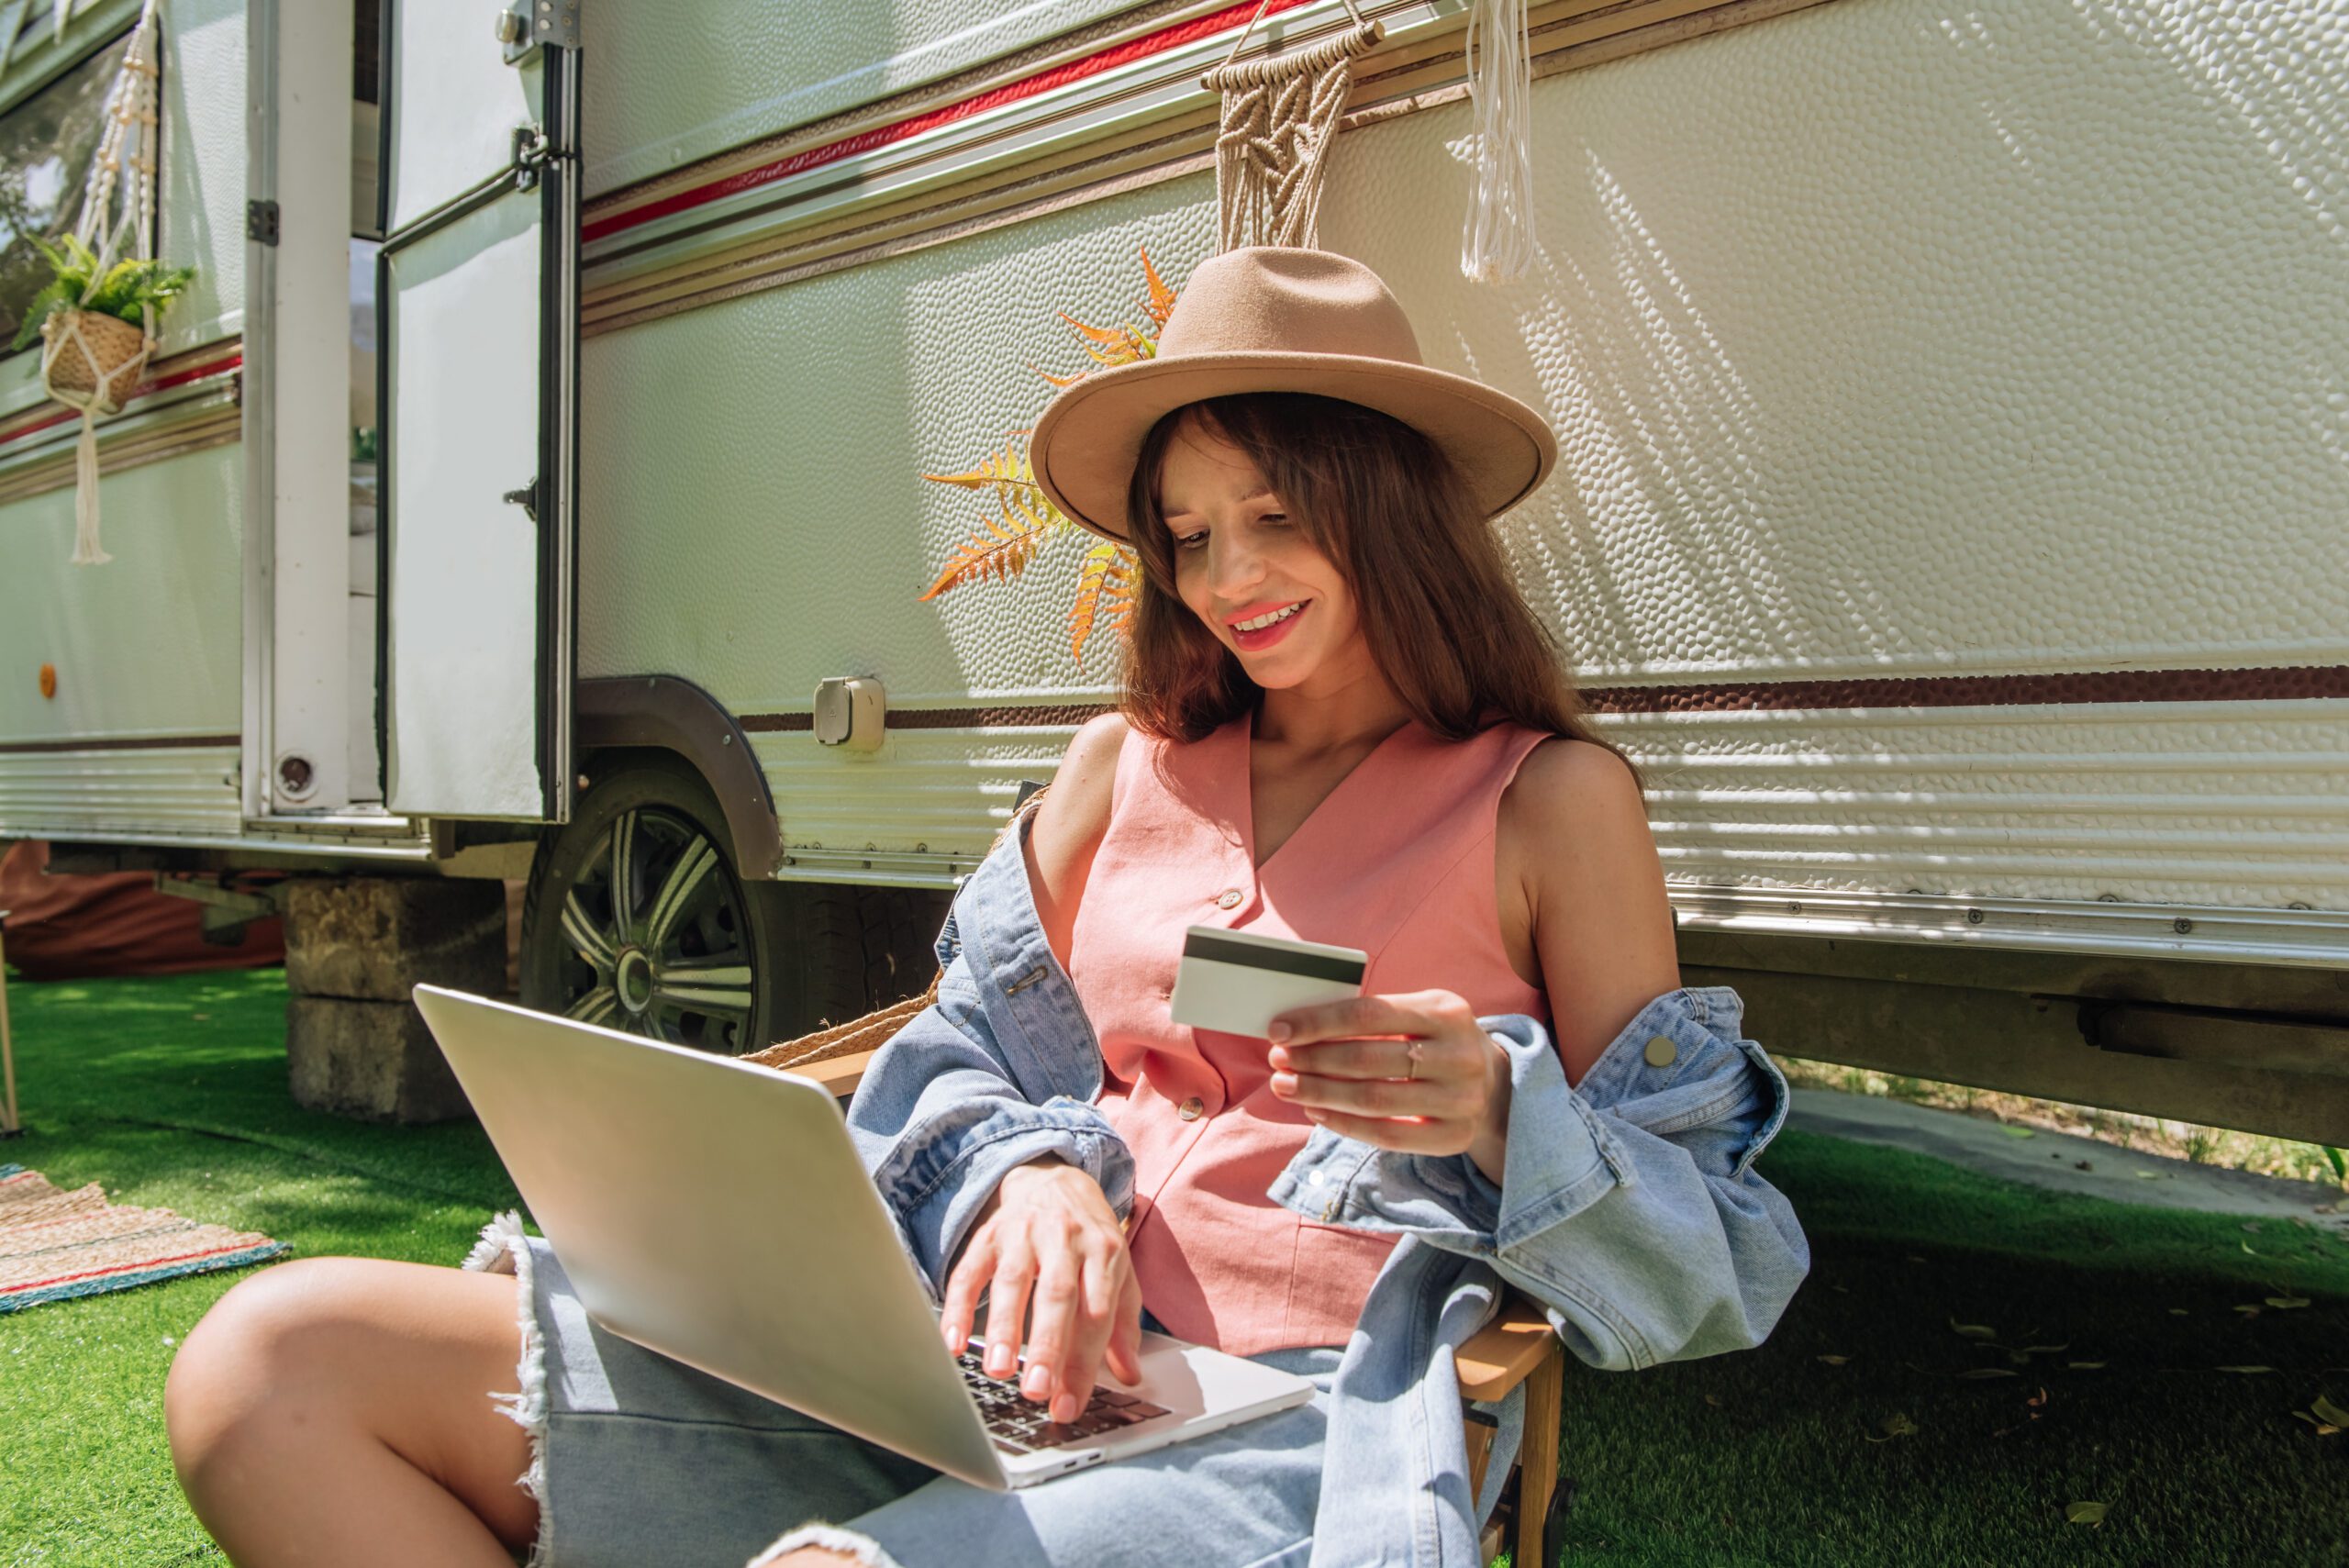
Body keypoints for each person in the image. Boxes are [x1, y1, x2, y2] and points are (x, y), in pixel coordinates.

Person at [162, 246, 1808, 1568]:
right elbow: (956, 1042)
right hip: (954, 1367)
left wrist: (1505, 1113)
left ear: (1389, 504)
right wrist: (1027, 1171)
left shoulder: (1551, 803)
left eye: (1277, 516)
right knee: (273, 1366)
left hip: (1288, 1420)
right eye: (1188, 535)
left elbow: (1720, 1251)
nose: (1228, 578)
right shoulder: (1117, 768)